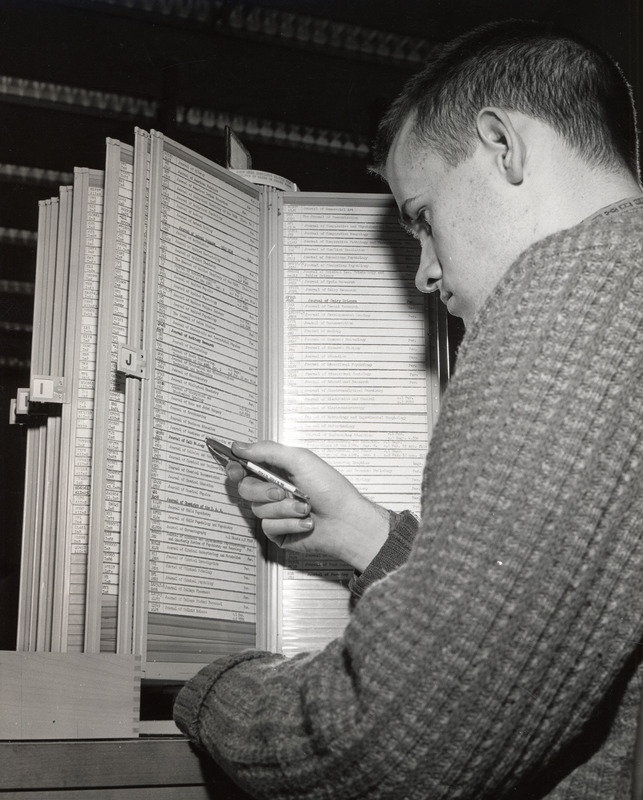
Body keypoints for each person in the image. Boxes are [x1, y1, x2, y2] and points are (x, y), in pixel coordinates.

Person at [174, 19, 643, 799]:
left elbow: (399, 748)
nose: (425, 272)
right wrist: (362, 533)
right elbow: (565, 628)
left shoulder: (569, 297)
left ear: (501, 145)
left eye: (421, 217)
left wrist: (212, 690)